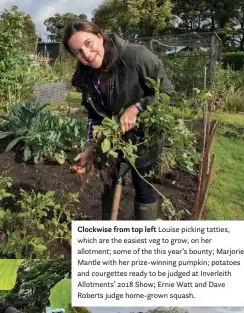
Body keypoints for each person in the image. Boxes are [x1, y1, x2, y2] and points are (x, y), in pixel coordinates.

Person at [63, 19, 173, 220]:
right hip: (111, 141)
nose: (86, 54)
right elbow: (94, 115)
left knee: (143, 188)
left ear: (99, 36)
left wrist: (137, 108)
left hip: (143, 139)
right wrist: (91, 147)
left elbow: (165, 93)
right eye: (78, 52)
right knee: (109, 184)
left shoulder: (136, 56)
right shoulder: (88, 76)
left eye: (88, 44)